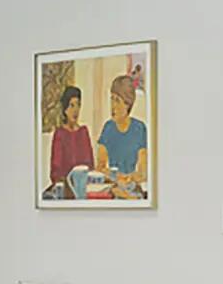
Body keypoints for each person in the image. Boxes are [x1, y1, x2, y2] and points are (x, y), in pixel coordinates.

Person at [94, 61, 149, 197]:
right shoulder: (108, 128)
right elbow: (100, 167)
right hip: (112, 188)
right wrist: (117, 177)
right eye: (111, 99)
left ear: (128, 104)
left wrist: (129, 178)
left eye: (117, 101)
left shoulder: (139, 128)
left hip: (131, 188)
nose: (113, 106)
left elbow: (143, 172)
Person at [47, 87, 99, 199]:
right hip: (66, 191)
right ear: (65, 109)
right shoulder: (59, 134)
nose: (76, 110)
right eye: (72, 105)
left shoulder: (84, 132)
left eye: (78, 105)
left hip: (84, 189)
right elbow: (55, 172)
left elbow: (90, 165)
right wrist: (67, 187)